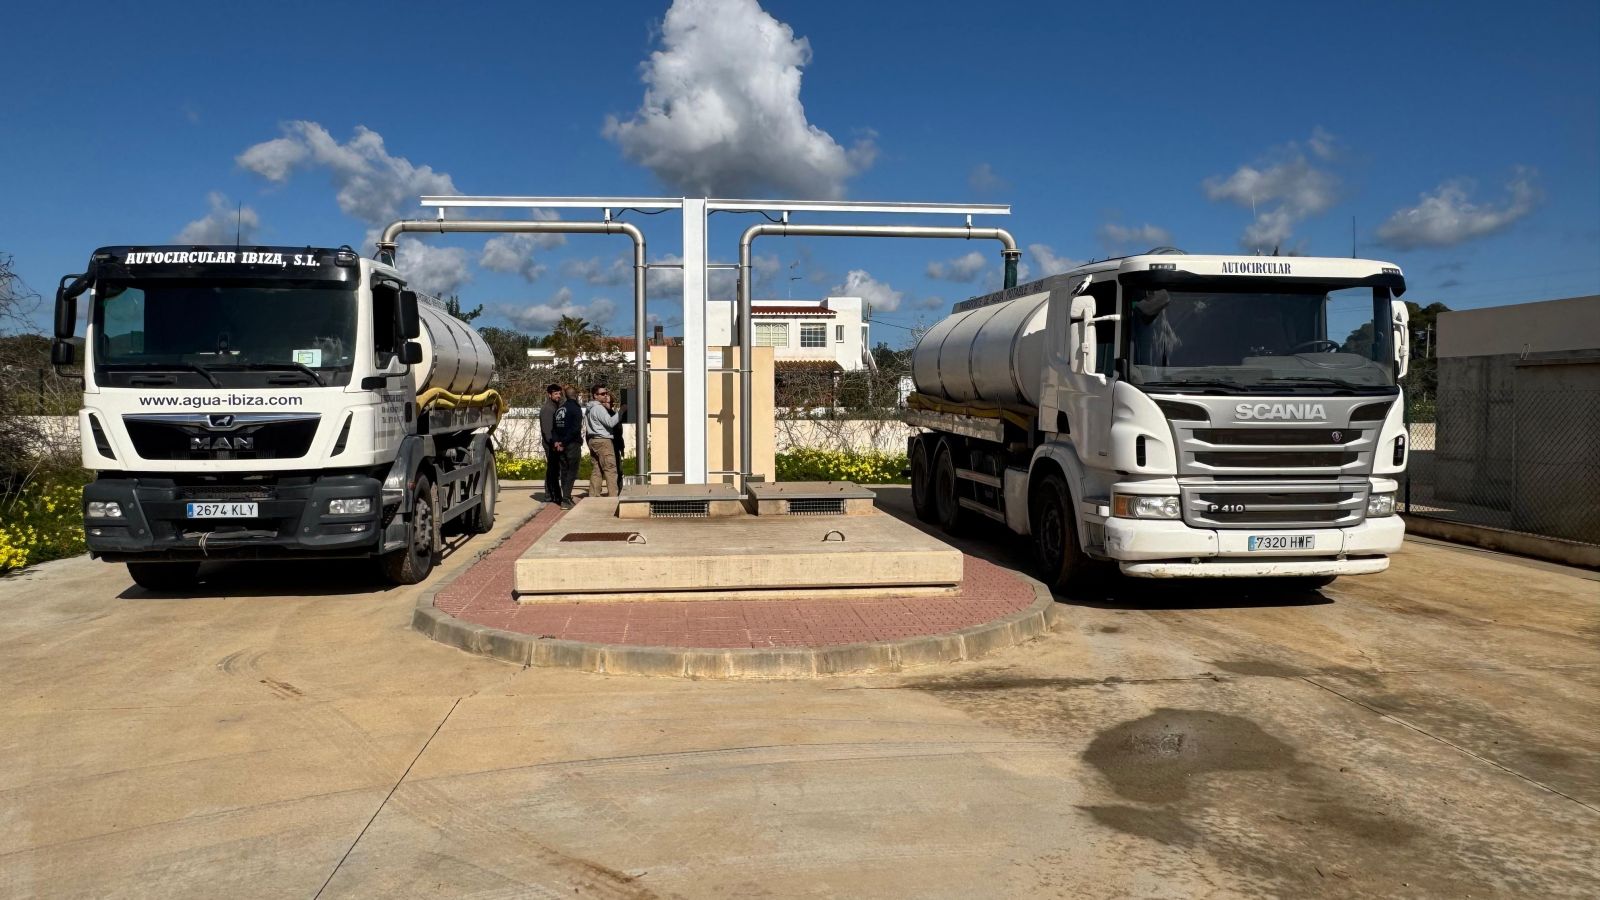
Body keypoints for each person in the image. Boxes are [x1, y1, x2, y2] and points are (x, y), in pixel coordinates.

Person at [584, 384, 624, 499]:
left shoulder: (589, 408)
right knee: (610, 468)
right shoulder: (598, 408)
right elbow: (610, 423)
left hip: (593, 440)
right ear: (595, 395)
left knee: (597, 469)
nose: (605, 396)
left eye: (606, 393)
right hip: (603, 440)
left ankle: (593, 495)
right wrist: (621, 412)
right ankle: (613, 496)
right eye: (602, 394)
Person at [552, 385, 584, 509]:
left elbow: (554, 428)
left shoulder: (560, 409)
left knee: (564, 471)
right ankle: (565, 499)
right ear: (575, 395)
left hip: (560, 445)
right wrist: (564, 443)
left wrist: (557, 442)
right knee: (572, 471)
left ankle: (566, 497)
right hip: (571, 444)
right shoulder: (575, 409)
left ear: (565, 395)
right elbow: (575, 429)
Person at [539, 383, 564, 505]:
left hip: (554, 443)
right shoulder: (548, 409)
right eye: (556, 394)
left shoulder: (556, 406)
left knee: (554, 469)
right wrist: (554, 444)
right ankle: (550, 495)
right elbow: (547, 430)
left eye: (559, 393)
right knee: (553, 470)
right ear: (549, 395)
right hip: (551, 444)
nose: (558, 396)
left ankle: (552, 494)